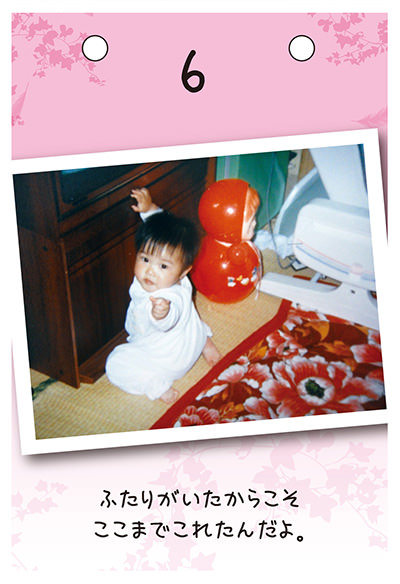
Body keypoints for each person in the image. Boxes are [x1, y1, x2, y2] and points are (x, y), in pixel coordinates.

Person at [105, 188, 221, 404]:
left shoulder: (168, 297)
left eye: (163, 266)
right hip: (189, 337)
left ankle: (157, 386)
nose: (151, 271)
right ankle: (203, 340)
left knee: (115, 363)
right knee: (191, 317)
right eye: (145, 259)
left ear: (184, 271)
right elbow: (162, 231)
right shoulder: (179, 278)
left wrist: (162, 314)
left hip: (168, 360)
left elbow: (169, 319)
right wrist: (149, 209)